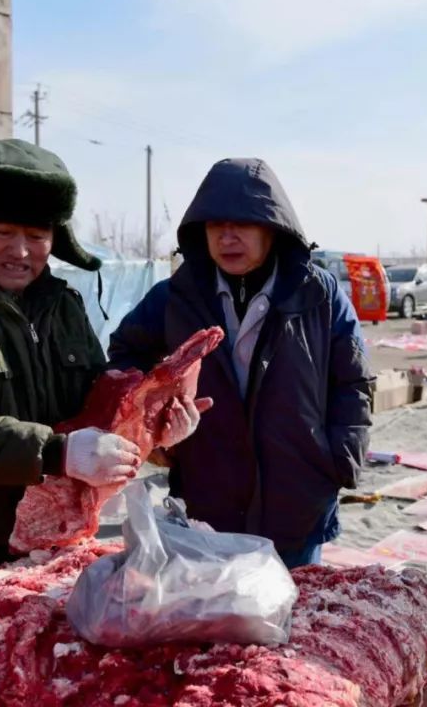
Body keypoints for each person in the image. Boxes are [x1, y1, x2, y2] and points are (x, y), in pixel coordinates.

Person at [0, 139, 200, 608]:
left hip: (55, 541)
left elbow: (96, 408)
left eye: (37, 236)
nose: (21, 251)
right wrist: (57, 451)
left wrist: (155, 435)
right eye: (4, 232)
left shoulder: (61, 307)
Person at [108, 158, 373, 568]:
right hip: (208, 499)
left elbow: (352, 382)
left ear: (272, 228)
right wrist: (151, 429)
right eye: (216, 226)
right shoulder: (175, 297)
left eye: (242, 224)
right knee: (218, 623)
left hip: (297, 499)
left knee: (295, 622)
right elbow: (124, 360)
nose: (228, 237)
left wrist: (339, 459)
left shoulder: (319, 295)